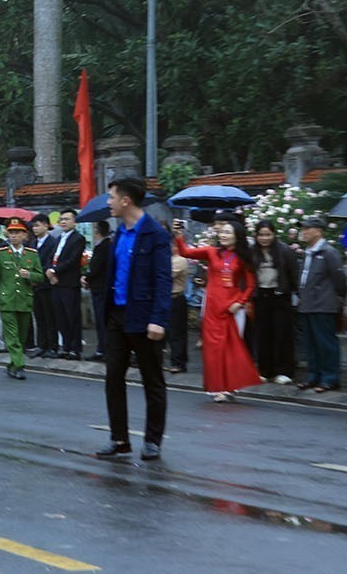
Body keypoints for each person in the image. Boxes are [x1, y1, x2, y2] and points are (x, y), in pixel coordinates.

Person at [97, 178, 172, 461]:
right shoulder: (119, 233)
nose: (108, 202)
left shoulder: (155, 233)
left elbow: (163, 279)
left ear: (125, 200)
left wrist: (159, 319)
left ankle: (152, 440)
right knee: (113, 376)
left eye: (111, 197)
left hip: (144, 317)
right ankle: (119, 439)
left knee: (152, 380)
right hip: (116, 315)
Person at [173, 219, 260, 401]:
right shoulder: (211, 252)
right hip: (213, 307)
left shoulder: (244, 258)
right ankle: (218, 387)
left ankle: (231, 386)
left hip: (232, 308)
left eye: (228, 232)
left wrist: (241, 302)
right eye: (222, 232)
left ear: (237, 236)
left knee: (233, 348)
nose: (223, 235)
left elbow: (251, 285)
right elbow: (185, 252)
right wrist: (179, 235)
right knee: (214, 349)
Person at [296, 215, 345, 393]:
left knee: (325, 343)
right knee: (310, 343)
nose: (304, 232)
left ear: (318, 231)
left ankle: (330, 378)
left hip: (324, 305)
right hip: (307, 304)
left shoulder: (329, 252)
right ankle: (313, 376)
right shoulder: (307, 251)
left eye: (307, 228)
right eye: (303, 228)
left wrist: (336, 300)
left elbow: (339, 280)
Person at [0, 219, 41, 380]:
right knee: (12, 336)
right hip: (7, 301)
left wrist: (29, 275)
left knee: (22, 337)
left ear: (25, 235)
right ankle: (19, 365)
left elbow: (41, 276)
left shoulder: (32, 254)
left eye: (18, 232)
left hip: (25, 300)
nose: (14, 236)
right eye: (11, 232)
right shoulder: (1, 254)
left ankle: (12, 364)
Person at [249, 219, 298, 385]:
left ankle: (284, 371)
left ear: (274, 234)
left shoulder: (284, 251)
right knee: (263, 336)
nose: (264, 238)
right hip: (260, 296)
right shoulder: (252, 252)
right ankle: (265, 370)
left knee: (283, 335)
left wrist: (293, 292)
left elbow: (293, 275)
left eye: (268, 234)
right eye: (261, 235)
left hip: (280, 296)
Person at [46, 210, 86, 359]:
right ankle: (66, 346)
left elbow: (72, 260)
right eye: (61, 219)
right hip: (55, 283)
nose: (63, 222)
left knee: (72, 317)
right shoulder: (57, 239)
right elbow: (51, 257)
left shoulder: (78, 239)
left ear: (74, 222)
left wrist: (54, 271)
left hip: (69, 283)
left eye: (67, 219)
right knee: (60, 317)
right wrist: (50, 272)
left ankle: (75, 349)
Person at [83, 220, 111, 360]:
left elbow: (95, 268)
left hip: (100, 289)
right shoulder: (108, 245)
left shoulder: (102, 247)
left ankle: (103, 350)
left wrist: (86, 278)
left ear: (97, 231)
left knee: (101, 321)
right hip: (103, 287)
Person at [30, 214, 58, 356]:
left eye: (38, 225)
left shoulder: (53, 242)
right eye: (34, 225)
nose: (35, 228)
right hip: (34, 286)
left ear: (46, 225)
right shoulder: (33, 243)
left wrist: (38, 276)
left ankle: (53, 347)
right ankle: (41, 345)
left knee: (50, 317)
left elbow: (49, 262)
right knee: (39, 317)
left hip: (47, 285)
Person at [166, 239, 190, 374]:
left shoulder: (180, 260)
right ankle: (176, 360)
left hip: (177, 298)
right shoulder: (169, 259)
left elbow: (168, 275)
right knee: (170, 332)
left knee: (177, 332)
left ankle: (179, 363)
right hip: (169, 298)